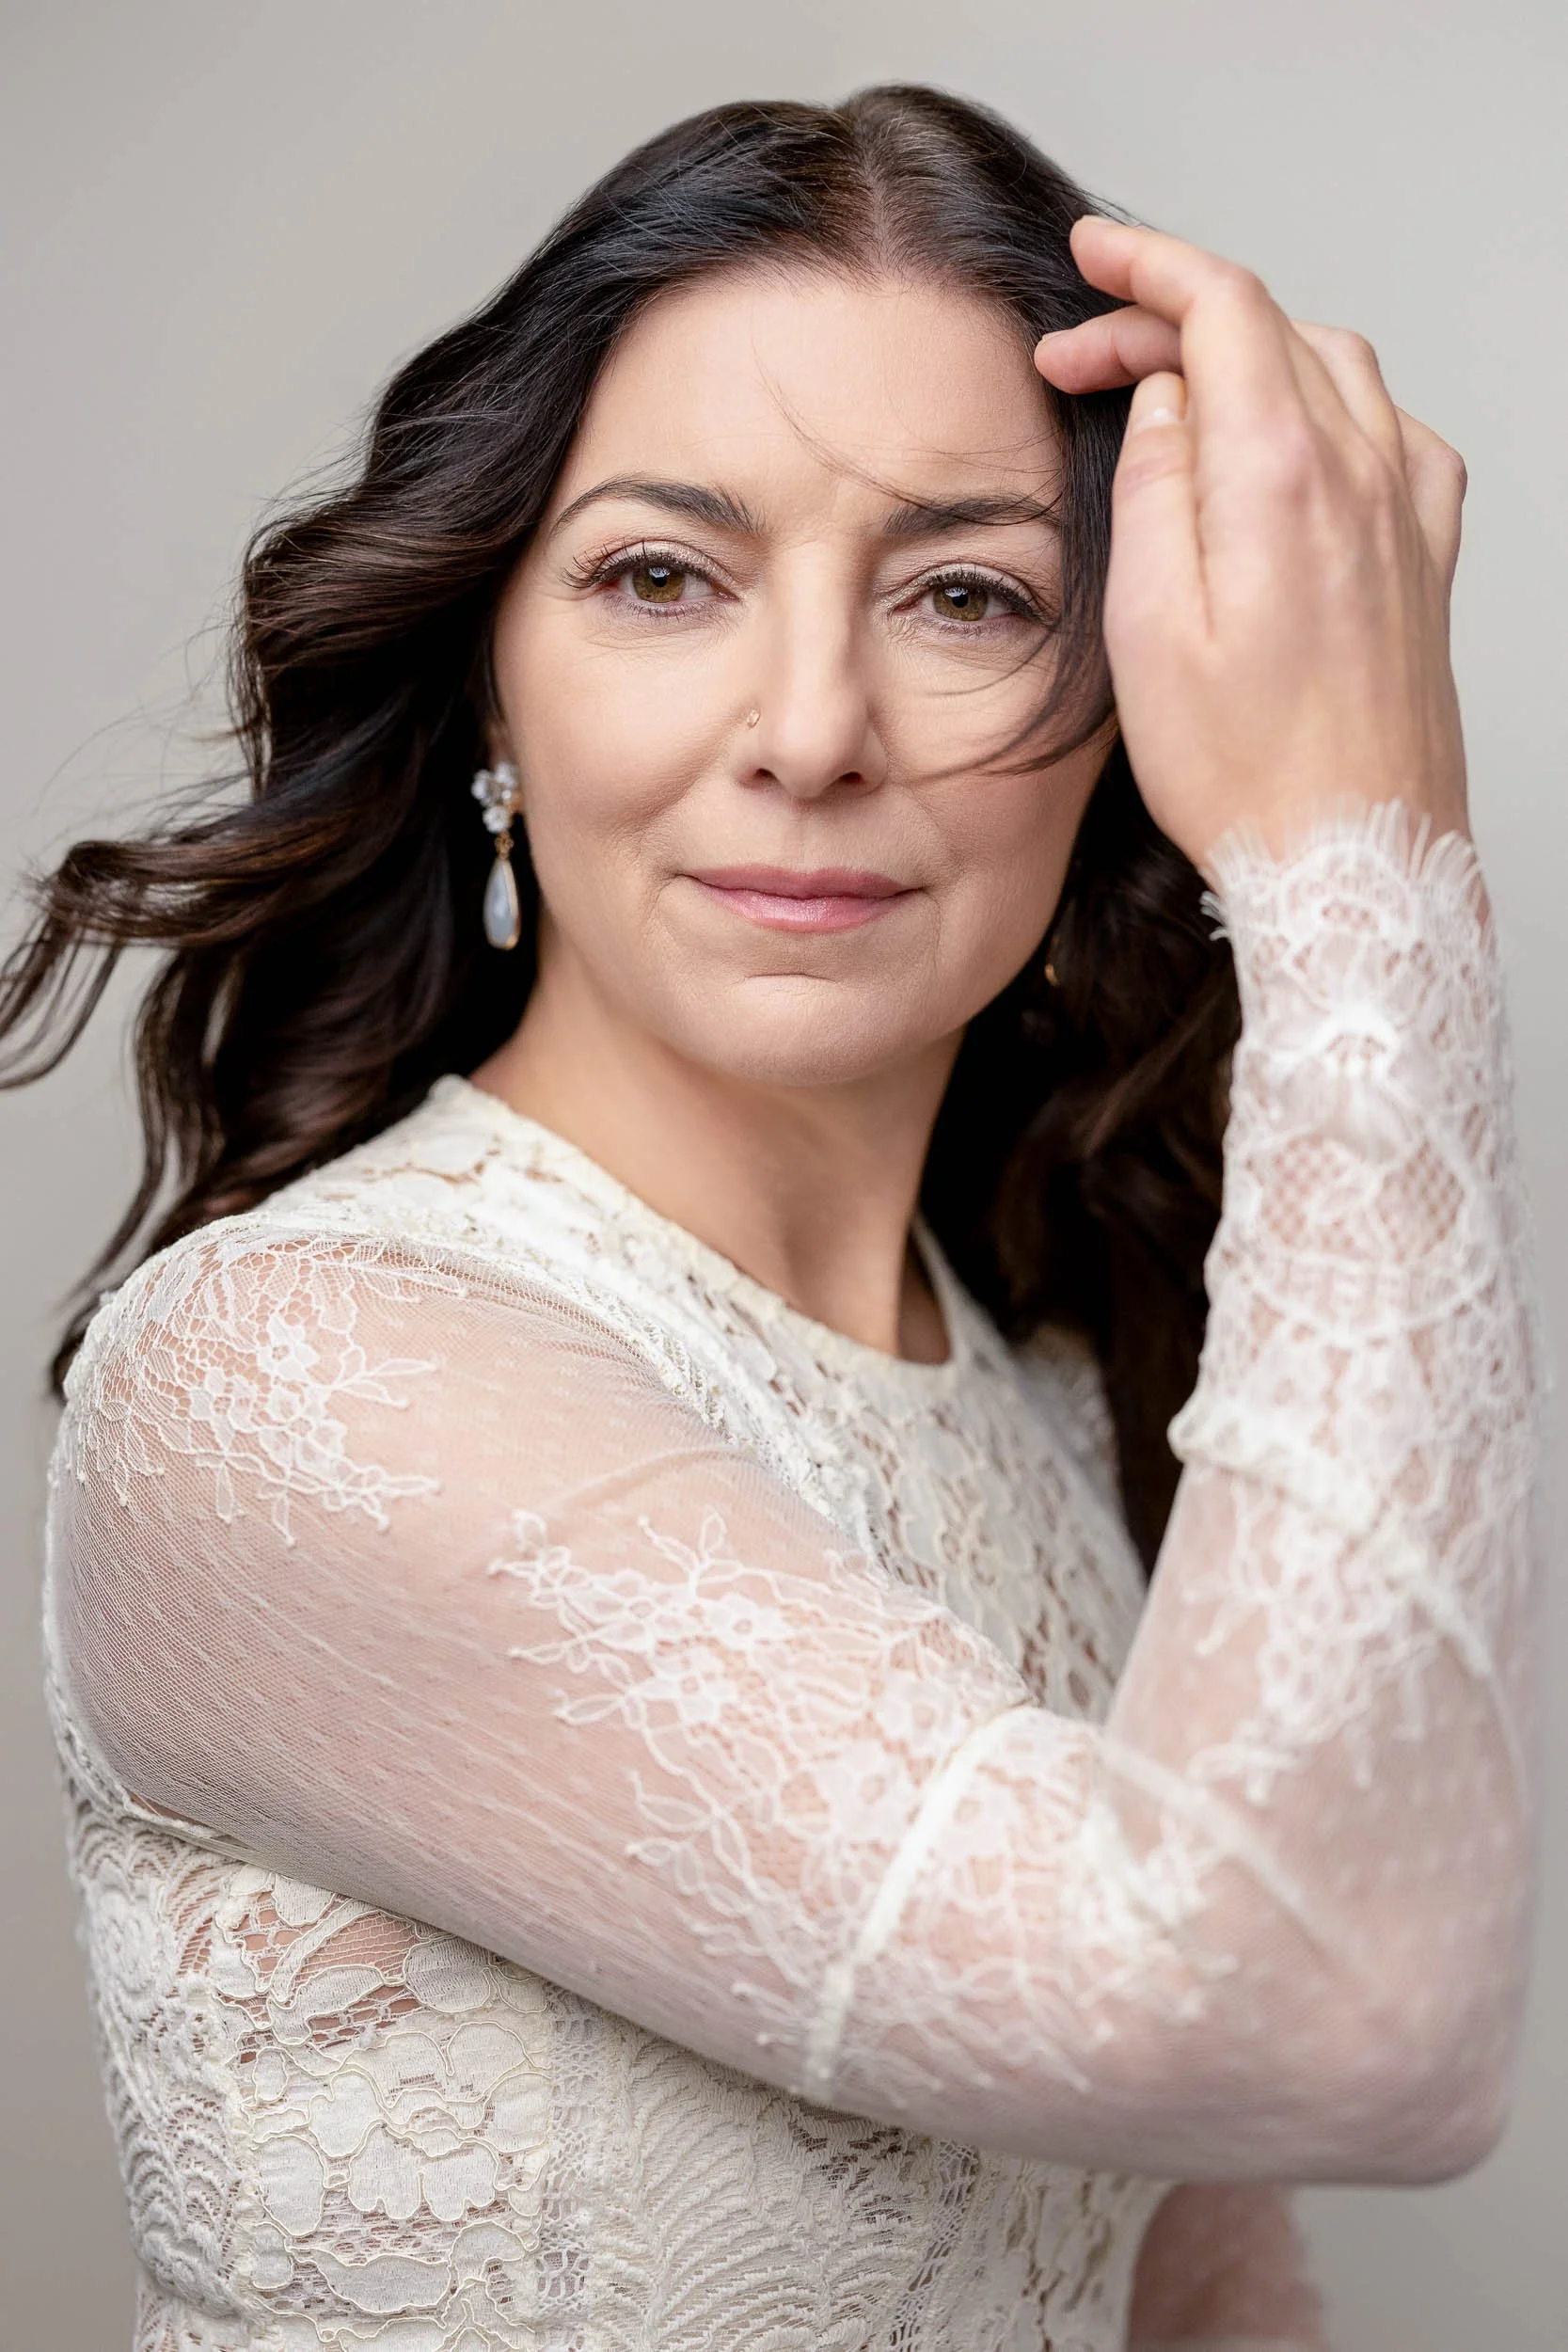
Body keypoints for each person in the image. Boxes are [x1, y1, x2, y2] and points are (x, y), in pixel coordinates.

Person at [4, 85, 1539, 2352]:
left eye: (965, 593)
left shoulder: (1029, 1394)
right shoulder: (301, 1379)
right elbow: (1326, 2017)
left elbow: (1198, 2289)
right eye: (659, 574)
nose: (809, 728)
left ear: (1125, 707)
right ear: (487, 690)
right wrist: (1358, 874)